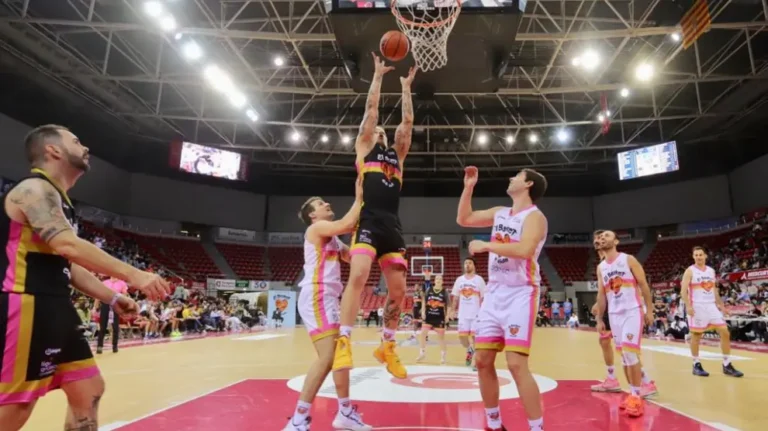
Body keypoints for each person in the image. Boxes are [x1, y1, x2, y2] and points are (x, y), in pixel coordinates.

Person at [0, 125, 169, 430]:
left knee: (88, 388)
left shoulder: (60, 201)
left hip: (56, 307)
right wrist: (134, 274)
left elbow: (67, 262)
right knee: (17, 405)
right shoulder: (33, 190)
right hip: (27, 303)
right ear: (53, 151)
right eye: (76, 141)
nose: (85, 147)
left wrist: (112, 296)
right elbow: (67, 245)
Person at [333, 55, 417, 379]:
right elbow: (371, 111)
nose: (380, 130)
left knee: (398, 291)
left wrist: (406, 88)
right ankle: (344, 340)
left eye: (383, 130)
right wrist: (379, 77)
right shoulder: (365, 148)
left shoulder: (398, 155)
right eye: (377, 129)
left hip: (391, 226)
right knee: (358, 275)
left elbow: (407, 123)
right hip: (367, 220)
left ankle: (388, 345)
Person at [457, 166, 548, 431]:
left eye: (517, 176)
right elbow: (464, 218)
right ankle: (494, 424)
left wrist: (487, 245)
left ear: (528, 184)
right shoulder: (500, 213)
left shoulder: (535, 217)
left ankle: (537, 427)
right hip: (495, 293)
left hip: (521, 292)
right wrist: (469, 187)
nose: (511, 178)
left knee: (516, 364)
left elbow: (524, 249)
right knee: (482, 360)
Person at [284, 179, 372, 431]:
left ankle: (345, 412)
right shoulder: (317, 229)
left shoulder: (332, 239)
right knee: (327, 358)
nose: (327, 204)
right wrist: (360, 197)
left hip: (330, 299)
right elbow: (345, 223)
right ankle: (298, 419)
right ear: (313, 215)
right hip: (317, 296)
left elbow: (351, 256)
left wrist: (369, 242)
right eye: (321, 204)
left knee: (340, 355)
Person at [595, 230, 654, 418]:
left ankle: (637, 396)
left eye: (607, 235)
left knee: (630, 353)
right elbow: (602, 295)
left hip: (632, 311)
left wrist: (649, 310)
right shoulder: (601, 267)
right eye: (601, 236)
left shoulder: (628, 260)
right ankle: (632, 393)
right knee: (625, 358)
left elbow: (644, 285)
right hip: (614, 314)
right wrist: (599, 318)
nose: (603, 238)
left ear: (616, 241)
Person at [680, 246, 744, 378]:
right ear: (693, 257)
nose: (698, 257)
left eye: (700, 254)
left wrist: (722, 306)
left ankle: (727, 364)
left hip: (711, 306)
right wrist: (689, 306)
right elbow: (683, 291)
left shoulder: (711, 271)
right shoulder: (689, 271)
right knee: (696, 336)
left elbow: (714, 291)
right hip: (697, 307)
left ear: (705, 256)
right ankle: (696, 364)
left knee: (725, 332)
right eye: (696, 255)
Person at [450, 257, 485, 368]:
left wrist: (484, 312)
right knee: (463, 339)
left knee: (475, 338)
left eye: (469, 263)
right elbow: (455, 297)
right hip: (463, 314)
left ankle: (475, 362)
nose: (467, 265)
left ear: (474, 265)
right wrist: (452, 310)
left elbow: (484, 298)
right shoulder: (459, 280)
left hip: (476, 314)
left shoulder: (479, 280)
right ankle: (470, 349)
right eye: (465, 263)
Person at [416, 274, 450, 363]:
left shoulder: (445, 292)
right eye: (437, 278)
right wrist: (423, 311)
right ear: (434, 281)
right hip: (429, 316)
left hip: (439, 317)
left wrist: (447, 316)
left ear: (442, 281)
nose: (438, 280)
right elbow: (424, 301)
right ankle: (422, 353)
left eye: (440, 279)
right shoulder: (429, 290)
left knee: (441, 338)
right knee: (423, 334)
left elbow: (448, 305)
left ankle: (443, 356)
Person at [95, 276, 128, 354]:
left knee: (115, 327)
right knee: (102, 326)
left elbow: (125, 295)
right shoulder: (105, 282)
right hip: (105, 304)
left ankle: (115, 346)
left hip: (116, 305)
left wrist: (123, 306)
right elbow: (98, 294)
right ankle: (99, 346)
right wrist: (95, 306)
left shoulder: (122, 283)